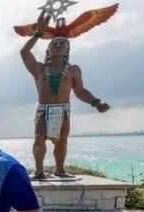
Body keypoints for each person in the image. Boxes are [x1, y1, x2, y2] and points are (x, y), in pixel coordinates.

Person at [21, 11, 110, 180]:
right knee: (39, 138)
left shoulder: (73, 70)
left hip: (63, 109)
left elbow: (80, 91)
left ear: (68, 50)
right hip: (43, 109)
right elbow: (24, 53)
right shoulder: (39, 69)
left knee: (62, 140)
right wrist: (38, 33)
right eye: (54, 44)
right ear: (48, 50)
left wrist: (96, 102)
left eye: (62, 44)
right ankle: (38, 171)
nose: (57, 46)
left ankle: (60, 170)